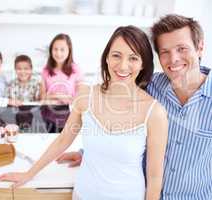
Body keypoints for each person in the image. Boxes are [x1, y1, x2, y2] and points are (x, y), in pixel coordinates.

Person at [0, 26, 168, 200]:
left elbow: (154, 178)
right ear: (107, 58)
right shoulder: (86, 95)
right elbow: (64, 139)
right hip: (83, 195)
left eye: (133, 58)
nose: (123, 65)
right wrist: (29, 173)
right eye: (116, 55)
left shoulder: (154, 113)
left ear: (143, 63)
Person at [57, 14, 212, 200]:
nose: (174, 59)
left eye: (182, 49)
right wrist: (89, 151)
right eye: (165, 52)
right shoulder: (150, 85)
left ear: (200, 47)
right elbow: (119, 118)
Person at [40, 33, 83, 104]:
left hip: (70, 111)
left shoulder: (76, 70)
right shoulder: (46, 70)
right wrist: (59, 96)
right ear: (51, 50)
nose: (58, 53)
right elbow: (42, 97)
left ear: (69, 51)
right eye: (55, 49)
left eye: (62, 50)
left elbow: (80, 97)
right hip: (50, 111)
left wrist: (52, 96)